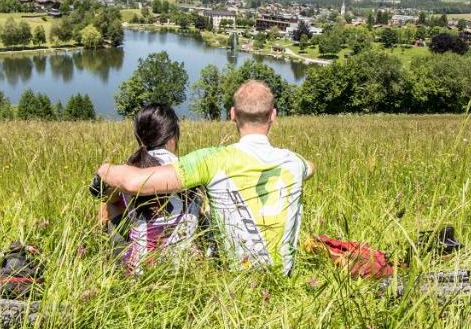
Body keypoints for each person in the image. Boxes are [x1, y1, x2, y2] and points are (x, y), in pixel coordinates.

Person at [95, 80, 313, 275]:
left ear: (233, 114)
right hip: (283, 276)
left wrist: (104, 170)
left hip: (235, 276)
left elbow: (134, 183)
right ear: (273, 115)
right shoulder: (295, 163)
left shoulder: (210, 160)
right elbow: (310, 167)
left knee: (111, 206)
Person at [97, 103, 203, 273]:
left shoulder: (131, 170)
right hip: (183, 269)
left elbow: (103, 196)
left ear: (139, 136)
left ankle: (114, 259)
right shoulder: (189, 167)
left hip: (141, 269)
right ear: (173, 136)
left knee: (111, 204)